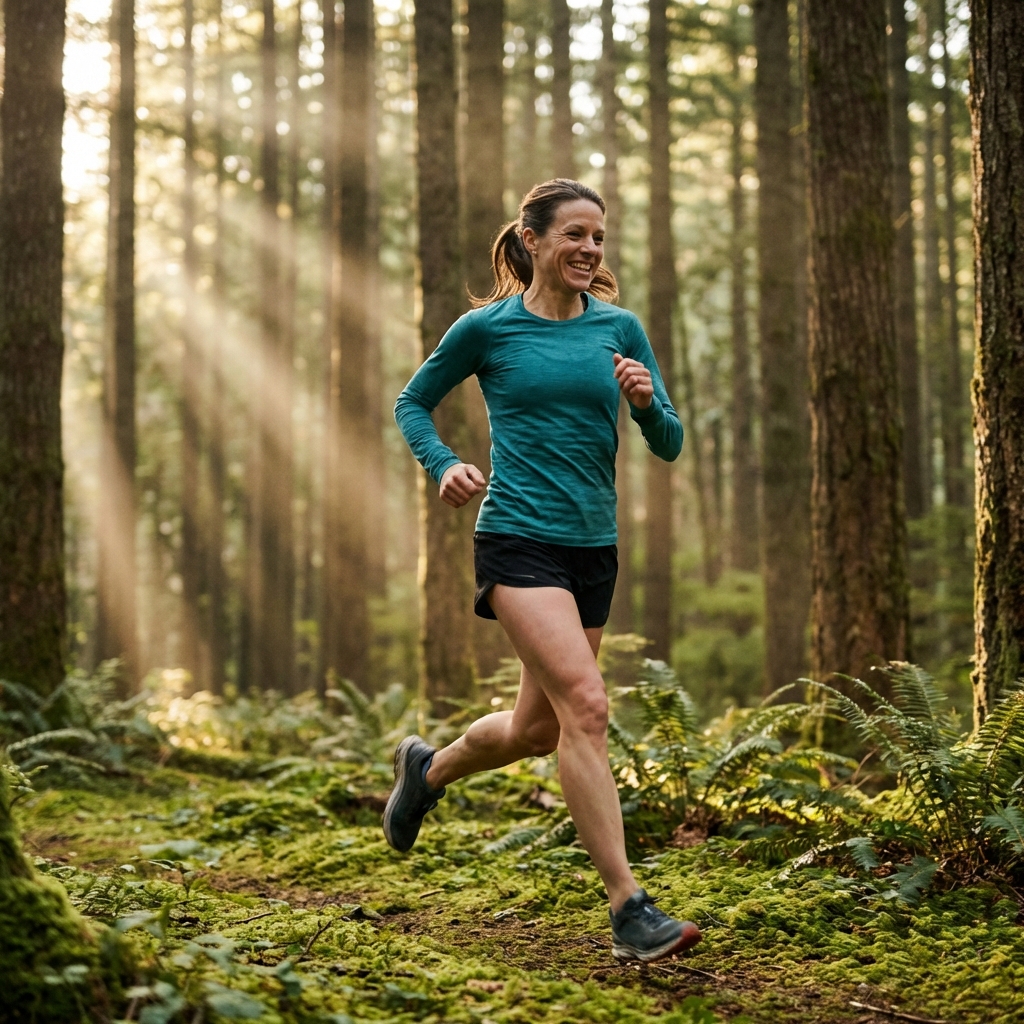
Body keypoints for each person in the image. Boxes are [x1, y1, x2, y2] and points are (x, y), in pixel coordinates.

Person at [384, 178, 701, 963]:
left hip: (593, 547)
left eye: (599, 236)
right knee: (588, 706)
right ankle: (630, 909)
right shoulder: (487, 330)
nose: (591, 249)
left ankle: (428, 771)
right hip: (519, 539)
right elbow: (411, 402)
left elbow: (670, 443)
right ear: (532, 241)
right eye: (575, 235)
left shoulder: (620, 328)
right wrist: (444, 463)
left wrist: (646, 403)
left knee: (539, 727)